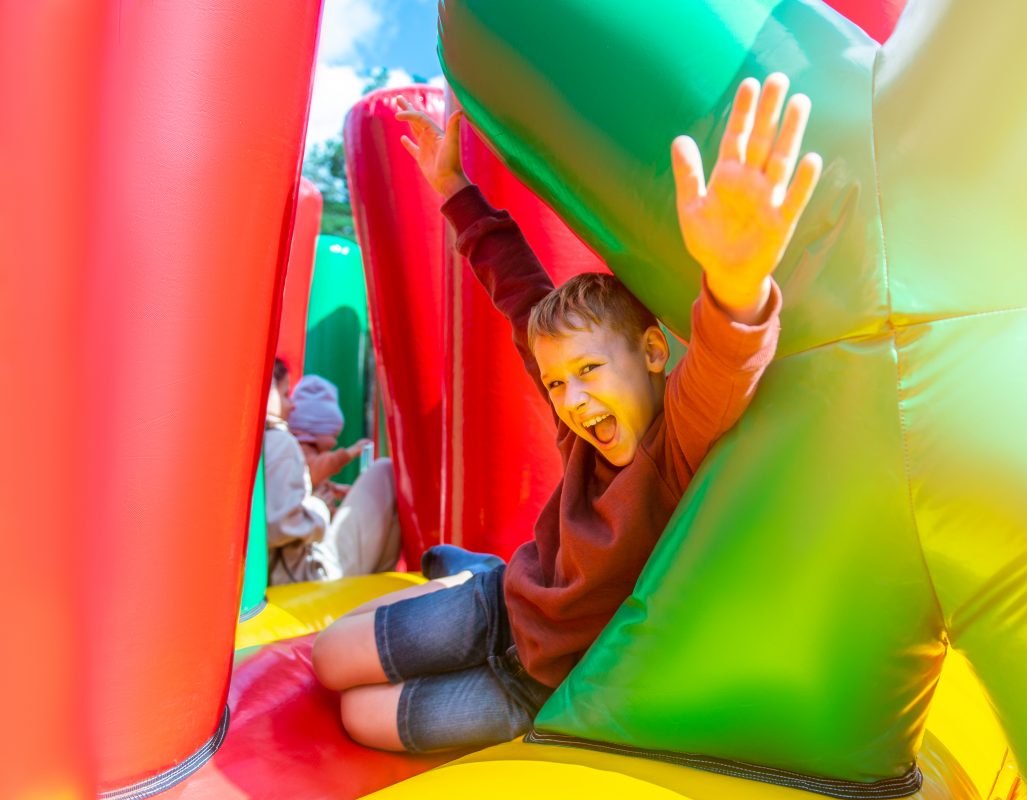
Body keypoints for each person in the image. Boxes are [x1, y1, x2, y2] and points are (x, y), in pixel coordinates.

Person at [311, 72, 822, 753]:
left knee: (361, 718)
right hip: (500, 610)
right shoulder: (579, 428)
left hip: (533, 689)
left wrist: (738, 283)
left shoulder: (676, 445)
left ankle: (468, 576)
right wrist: (455, 194)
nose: (573, 400)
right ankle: (477, 574)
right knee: (327, 660)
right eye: (557, 384)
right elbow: (522, 294)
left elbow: (728, 360)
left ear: (649, 352)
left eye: (588, 371)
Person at [263, 361, 401, 584]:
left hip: (290, 571)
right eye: (286, 394)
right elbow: (281, 525)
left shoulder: (256, 445)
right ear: (269, 392)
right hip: (306, 576)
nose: (292, 406)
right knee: (384, 471)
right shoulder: (278, 441)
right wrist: (319, 508)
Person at [288, 374, 371, 512]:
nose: (334, 443)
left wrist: (331, 488)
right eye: (333, 435)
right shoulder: (301, 450)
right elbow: (314, 471)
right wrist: (349, 453)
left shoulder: (310, 451)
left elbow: (312, 483)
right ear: (314, 428)